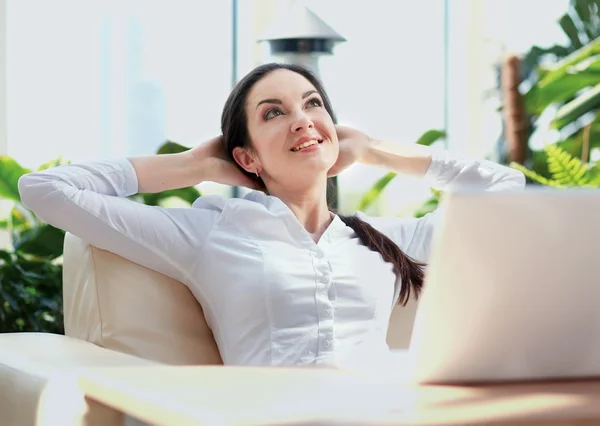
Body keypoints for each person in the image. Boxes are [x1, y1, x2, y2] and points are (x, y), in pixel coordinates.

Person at [18, 63, 525, 371]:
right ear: (246, 158)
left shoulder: (388, 240)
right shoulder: (209, 232)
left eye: (312, 104)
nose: (302, 118)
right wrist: (193, 165)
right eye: (273, 112)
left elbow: (506, 190)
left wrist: (375, 150)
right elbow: (45, 189)